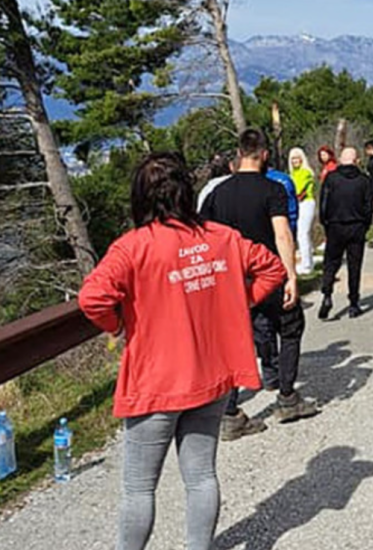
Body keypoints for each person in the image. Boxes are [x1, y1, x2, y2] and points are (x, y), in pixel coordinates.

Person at [78, 152, 287, 550]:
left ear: (140, 196)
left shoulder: (132, 247)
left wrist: (118, 324)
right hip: (212, 378)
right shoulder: (221, 237)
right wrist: (236, 302)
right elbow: (272, 269)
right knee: (201, 476)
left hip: (155, 383)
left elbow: (93, 298)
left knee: (139, 488)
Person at [202, 130, 318, 434]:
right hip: (269, 273)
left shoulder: (217, 193)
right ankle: (287, 398)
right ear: (264, 154)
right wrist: (291, 275)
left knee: (232, 341)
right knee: (290, 327)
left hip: (231, 278)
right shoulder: (272, 189)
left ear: (239, 154)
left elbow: (204, 237)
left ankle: (229, 413)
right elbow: (282, 233)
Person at [318, 147, 373, 320]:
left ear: (341, 160)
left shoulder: (331, 178)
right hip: (356, 226)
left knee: (331, 263)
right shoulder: (364, 180)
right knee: (354, 265)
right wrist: (365, 225)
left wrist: (325, 223)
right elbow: (368, 206)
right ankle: (354, 303)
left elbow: (324, 204)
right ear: (356, 160)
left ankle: (327, 294)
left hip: (335, 225)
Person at [289, 147, 317, 275]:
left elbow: (298, 190)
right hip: (297, 204)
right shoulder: (292, 174)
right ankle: (308, 260)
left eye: (297, 157)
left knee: (302, 234)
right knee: (303, 234)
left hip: (306, 203)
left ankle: (307, 265)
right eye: (292, 158)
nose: (295, 161)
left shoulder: (305, 172)